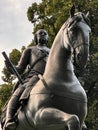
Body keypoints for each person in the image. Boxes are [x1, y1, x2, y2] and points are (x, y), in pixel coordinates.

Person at [2, 29, 50, 130]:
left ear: (48, 38)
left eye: (45, 34)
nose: (43, 35)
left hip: (50, 79)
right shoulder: (30, 50)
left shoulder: (53, 51)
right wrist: (10, 67)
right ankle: (9, 119)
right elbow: (19, 69)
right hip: (33, 77)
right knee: (18, 92)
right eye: (40, 33)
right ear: (36, 37)